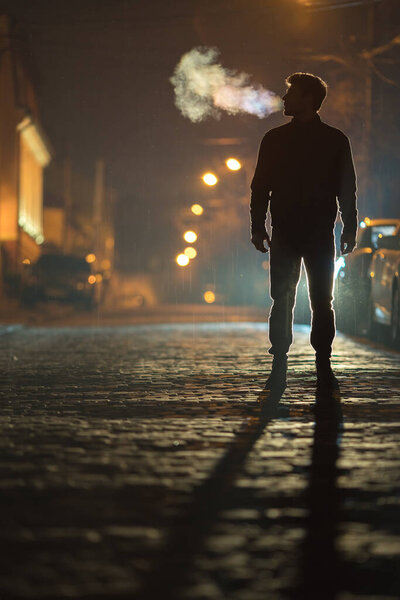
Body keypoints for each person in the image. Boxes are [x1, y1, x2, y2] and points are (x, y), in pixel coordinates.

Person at [250, 72, 357, 392]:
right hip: (309, 231)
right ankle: (312, 358)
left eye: (290, 94)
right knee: (316, 299)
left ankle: (296, 356)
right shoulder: (332, 139)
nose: (284, 99)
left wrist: (258, 226)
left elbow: (260, 188)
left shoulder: (280, 139)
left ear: (307, 99)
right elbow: (346, 189)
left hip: (301, 231)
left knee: (297, 298)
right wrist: (257, 226)